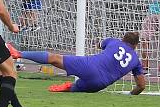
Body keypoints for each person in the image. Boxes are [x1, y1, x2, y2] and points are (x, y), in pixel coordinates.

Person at [10, 32, 146, 95]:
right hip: (100, 84)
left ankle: (20, 54)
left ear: (123, 39)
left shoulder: (114, 41)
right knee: (80, 87)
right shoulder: (136, 61)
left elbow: (100, 45)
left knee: (55, 58)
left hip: (89, 66)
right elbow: (141, 86)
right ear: (135, 46)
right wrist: (130, 95)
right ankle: (71, 87)